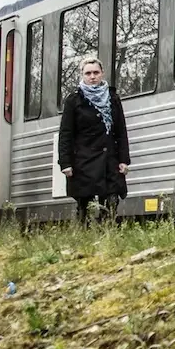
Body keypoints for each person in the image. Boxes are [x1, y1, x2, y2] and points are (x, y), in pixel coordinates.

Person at [58, 58, 130, 224]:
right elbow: (66, 134)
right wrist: (65, 163)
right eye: (88, 73)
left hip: (109, 160)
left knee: (111, 201)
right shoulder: (74, 101)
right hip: (84, 160)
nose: (92, 77)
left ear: (102, 74)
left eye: (96, 73)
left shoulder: (113, 98)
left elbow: (120, 131)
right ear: (82, 75)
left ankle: (108, 234)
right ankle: (85, 237)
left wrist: (123, 160)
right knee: (85, 205)